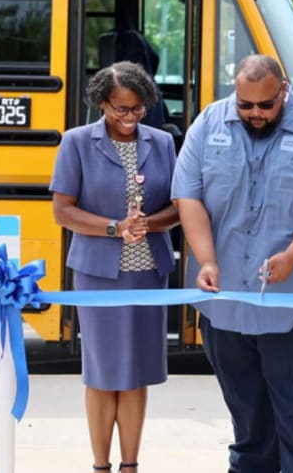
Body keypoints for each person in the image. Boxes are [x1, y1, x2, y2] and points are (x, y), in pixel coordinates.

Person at [171, 54, 293, 473]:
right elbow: (189, 196)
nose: (255, 114)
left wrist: (292, 256)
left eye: (265, 105)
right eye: (245, 105)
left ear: (284, 91)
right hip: (226, 305)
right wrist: (206, 260)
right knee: (248, 423)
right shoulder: (208, 124)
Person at [49, 61, 179, 473]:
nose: (129, 117)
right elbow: (63, 212)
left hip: (147, 271)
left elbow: (179, 207)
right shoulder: (76, 143)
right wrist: (114, 228)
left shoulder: (162, 142)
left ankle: (130, 465)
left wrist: (148, 224)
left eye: (137, 109)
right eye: (120, 109)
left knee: (136, 370)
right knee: (102, 371)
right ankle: (100, 465)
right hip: (98, 273)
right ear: (101, 103)